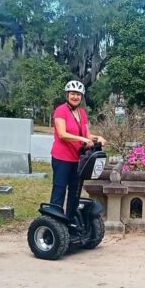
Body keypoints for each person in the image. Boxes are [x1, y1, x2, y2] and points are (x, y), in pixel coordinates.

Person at [50, 80, 106, 219]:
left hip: (77, 158)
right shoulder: (61, 110)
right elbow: (62, 134)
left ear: (81, 97)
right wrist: (83, 140)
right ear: (67, 95)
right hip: (62, 157)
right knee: (60, 188)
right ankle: (54, 219)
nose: (75, 97)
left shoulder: (82, 113)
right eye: (73, 94)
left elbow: (87, 135)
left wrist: (97, 138)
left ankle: (69, 218)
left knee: (75, 190)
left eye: (78, 95)